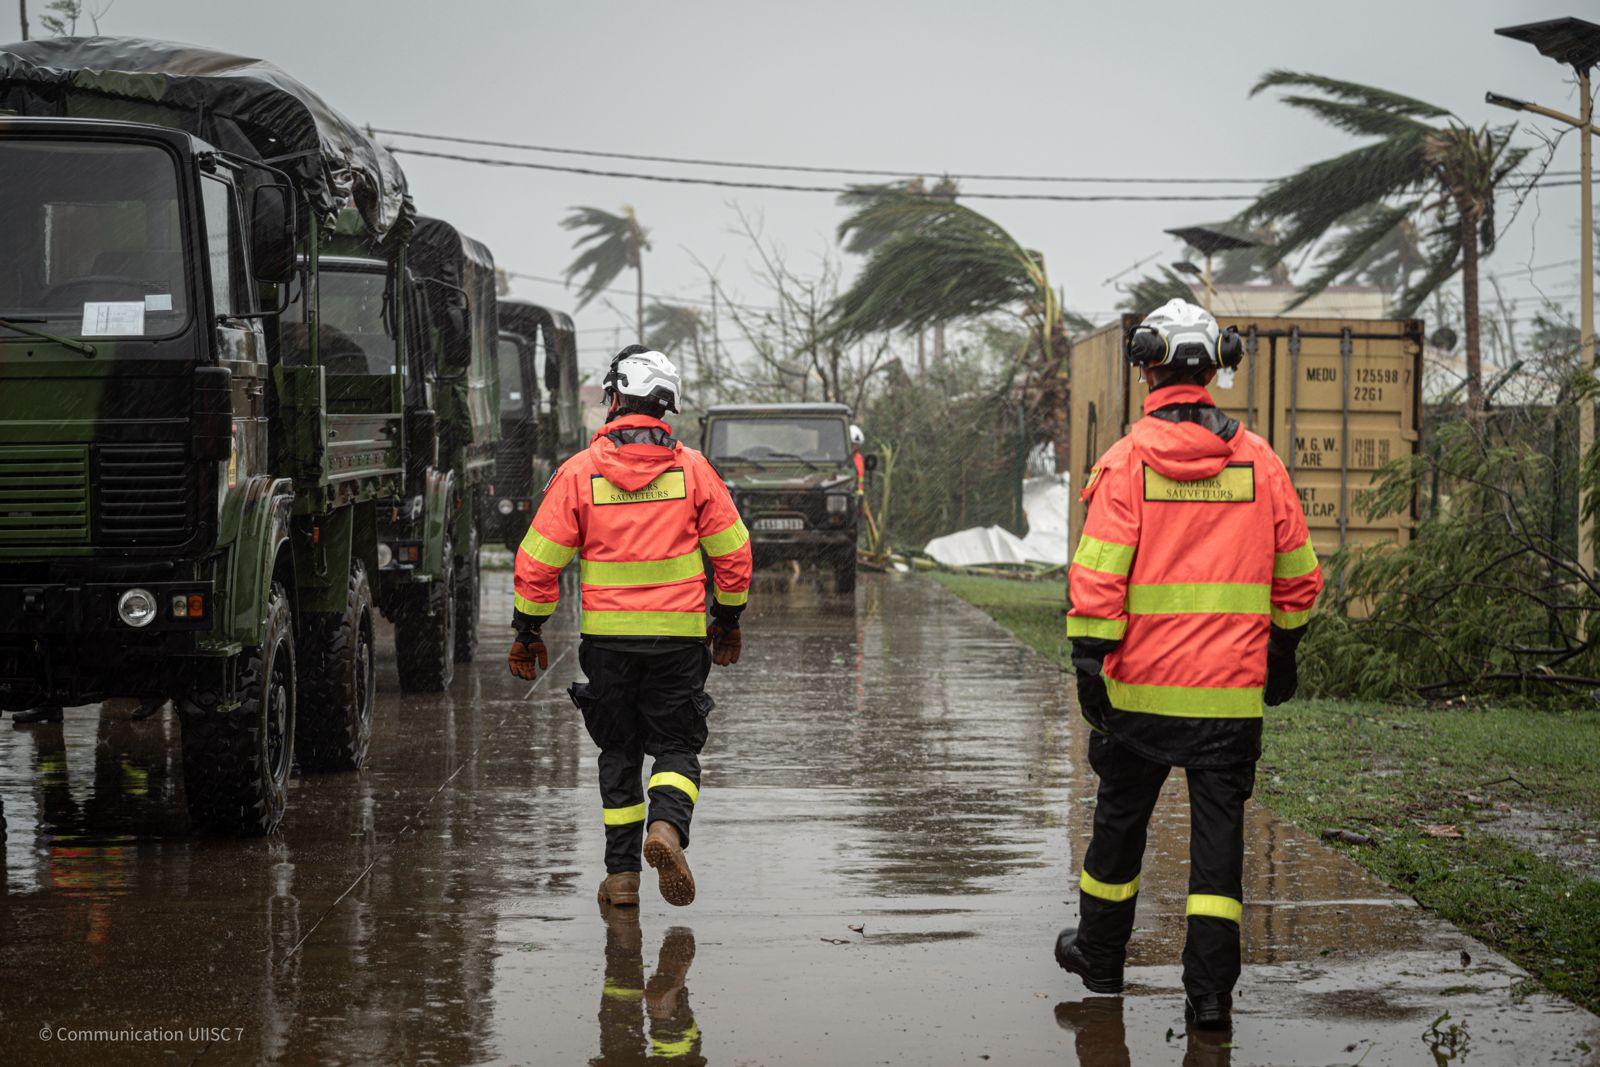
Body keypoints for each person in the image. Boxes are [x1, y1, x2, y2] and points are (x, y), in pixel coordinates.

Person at [1055, 299, 1323, 1030]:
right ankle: (1209, 997)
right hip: (1229, 703)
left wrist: (1090, 662)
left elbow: (1099, 577)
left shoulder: (1127, 461)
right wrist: (1284, 650)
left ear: (1147, 366)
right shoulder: (1260, 463)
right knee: (1217, 854)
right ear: (1218, 367)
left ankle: (1102, 960)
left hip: (1138, 696)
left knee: (1119, 825)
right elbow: (1299, 578)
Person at [508, 345, 752, 910]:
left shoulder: (578, 473)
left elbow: (537, 562)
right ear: (664, 406)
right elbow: (735, 554)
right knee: (677, 745)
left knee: (618, 751)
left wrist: (528, 630)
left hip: (608, 645)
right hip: (679, 643)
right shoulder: (693, 471)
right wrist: (728, 619)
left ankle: (621, 877)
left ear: (616, 396)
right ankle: (665, 828)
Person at [849, 424, 866, 497]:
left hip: (854, 493)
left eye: (856, 445)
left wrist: (860, 491)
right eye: (852, 444)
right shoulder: (837, 456)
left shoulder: (858, 458)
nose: (854, 447)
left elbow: (860, 476)